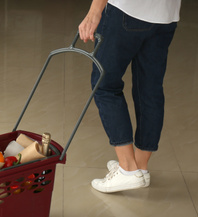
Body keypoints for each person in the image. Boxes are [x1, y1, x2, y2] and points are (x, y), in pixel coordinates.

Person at [78, 0, 181, 193]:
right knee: (150, 90)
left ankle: (128, 168)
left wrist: (95, 11)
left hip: (128, 10)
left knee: (105, 85)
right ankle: (140, 167)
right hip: (167, 16)